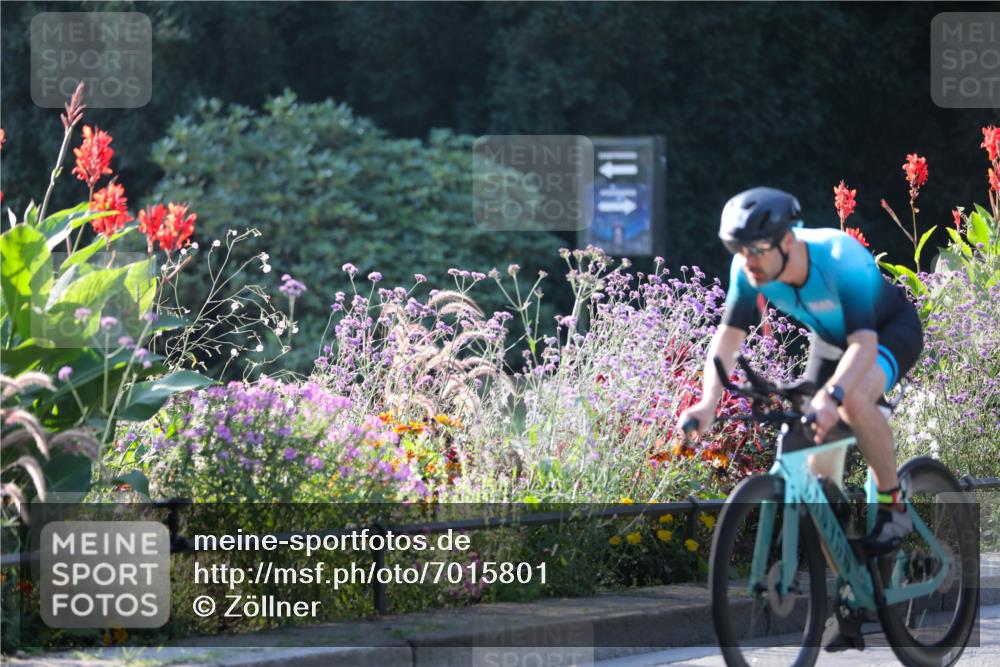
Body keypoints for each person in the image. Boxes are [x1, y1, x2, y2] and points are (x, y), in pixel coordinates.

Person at [677, 186, 924, 650]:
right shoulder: (747, 270)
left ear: (787, 241)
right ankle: (856, 588)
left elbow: (864, 347)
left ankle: (893, 505)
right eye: (737, 249)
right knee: (807, 471)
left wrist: (832, 398)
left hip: (886, 332)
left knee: (851, 402)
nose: (746, 259)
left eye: (755, 249)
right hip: (831, 344)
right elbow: (728, 340)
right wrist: (707, 402)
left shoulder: (838, 257)